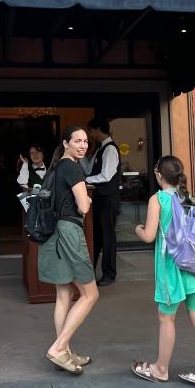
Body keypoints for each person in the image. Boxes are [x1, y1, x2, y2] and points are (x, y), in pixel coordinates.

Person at [131, 156, 195, 388]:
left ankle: (160, 368)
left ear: (159, 175)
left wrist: (137, 228)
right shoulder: (188, 199)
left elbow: (149, 236)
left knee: (166, 318)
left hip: (173, 267)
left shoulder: (158, 199)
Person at [39, 126, 99, 375]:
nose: (83, 145)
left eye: (85, 141)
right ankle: (58, 347)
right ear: (66, 143)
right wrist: (89, 201)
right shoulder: (72, 167)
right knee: (90, 294)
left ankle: (64, 352)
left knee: (64, 295)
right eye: (77, 141)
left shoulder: (55, 167)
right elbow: (83, 207)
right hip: (69, 232)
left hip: (54, 233)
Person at [84, 117, 121, 286]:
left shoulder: (110, 149)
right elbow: (88, 169)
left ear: (97, 129)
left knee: (107, 237)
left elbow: (106, 175)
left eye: (91, 131)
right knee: (97, 236)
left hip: (108, 199)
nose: (91, 135)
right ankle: (91, 271)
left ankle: (109, 274)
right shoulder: (100, 149)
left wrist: (86, 180)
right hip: (100, 199)